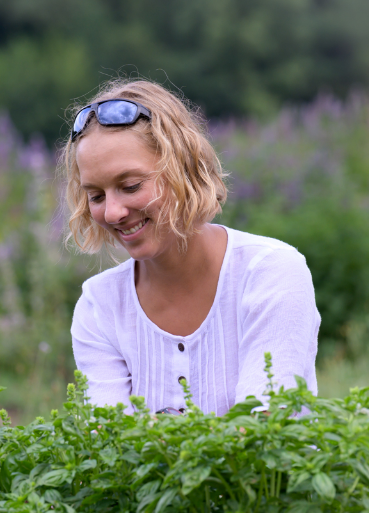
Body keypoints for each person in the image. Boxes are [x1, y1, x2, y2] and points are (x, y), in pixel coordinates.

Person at [62, 79, 320, 415]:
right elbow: (110, 443)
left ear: (182, 169)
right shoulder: (100, 306)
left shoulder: (270, 273)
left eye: (130, 186)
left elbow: (264, 430)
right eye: (95, 196)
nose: (112, 212)